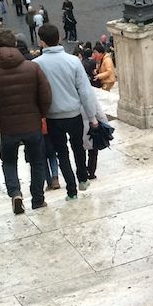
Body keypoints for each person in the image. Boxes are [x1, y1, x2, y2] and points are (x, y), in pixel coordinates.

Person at [0, 30, 52, 214]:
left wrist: (0, 111)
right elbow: (46, 96)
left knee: (9, 161)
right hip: (32, 123)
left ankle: (15, 193)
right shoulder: (32, 68)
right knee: (37, 161)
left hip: (7, 126)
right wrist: (39, 114)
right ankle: (37, 199)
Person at [34, 24, 98, 201]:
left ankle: (71, 190)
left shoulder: (36, 65)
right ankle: (83, 178)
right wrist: (92, 117)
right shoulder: (73, 61)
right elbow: (85, 91)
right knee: (78, 147)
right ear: (59, 37)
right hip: (74, 113)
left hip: (53, 117)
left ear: (42, 42)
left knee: (62, 153)